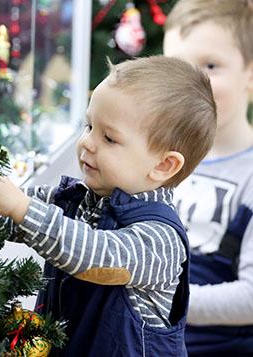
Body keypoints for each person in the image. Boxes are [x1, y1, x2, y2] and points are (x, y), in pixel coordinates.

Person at [0, 56, 217, 356]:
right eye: (88, 125)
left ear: (163, 165)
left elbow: (96, 257)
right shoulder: (76, 198)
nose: (88, 143)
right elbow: (8, 215)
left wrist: (22, 208)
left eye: (109, 138)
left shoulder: (161, 240)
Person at [163, 1, 253, 355]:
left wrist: (162, 294)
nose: (193, 84)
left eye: (211, 66)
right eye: (178, 69)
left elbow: (249, 297)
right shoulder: (158, 156)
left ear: (250, 72)